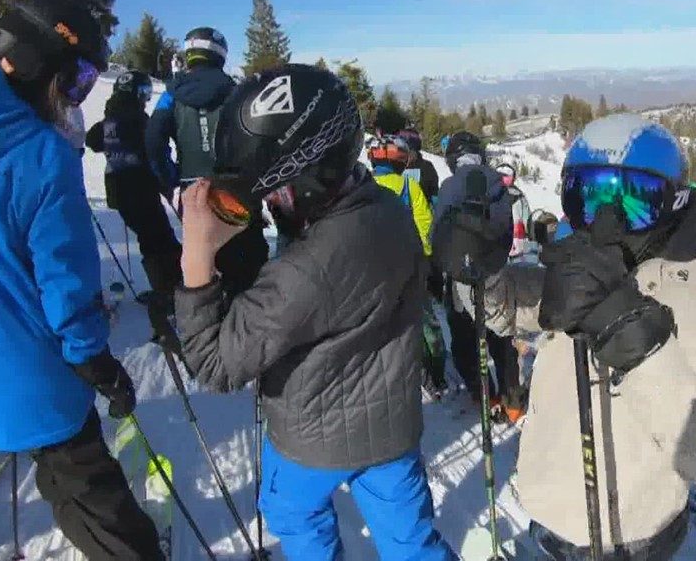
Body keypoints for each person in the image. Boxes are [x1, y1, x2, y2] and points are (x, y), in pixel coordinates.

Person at [172, 64, 456, 561]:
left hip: (311, 442)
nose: (266, 205)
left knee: (293, 516)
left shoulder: (302, 274)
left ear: (303, 182)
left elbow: (215, 365)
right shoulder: (388, 209)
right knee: (412, 542)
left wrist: (196, 258)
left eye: (271, 193)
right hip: (391, 430)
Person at [433, 114, 696, 558]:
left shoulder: (684, 297)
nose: (607, 222)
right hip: (554, 512)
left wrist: (626, 325)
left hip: (622, 537)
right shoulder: (587, 263)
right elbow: (508, 310)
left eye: (639, 201)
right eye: (588, 198)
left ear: (673, 205)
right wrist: (475, 269)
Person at [0, 0, 162, 559]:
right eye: (78, 77)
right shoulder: (39, 153)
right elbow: (64, 282)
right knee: (89, 492)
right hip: (25, 374)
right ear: (37, 61)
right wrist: (96, 361)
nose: (75, 95)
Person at [145, 26, 268, 306]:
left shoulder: (171, 95)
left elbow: (153, 140)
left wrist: (170, 180)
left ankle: (208, 329)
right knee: (247, 264)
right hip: (235, 188)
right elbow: (259, 138)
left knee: (202, 262)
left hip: (193, 192)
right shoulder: (237, 92)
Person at [439, 131, 526, 422]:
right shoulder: (496, 182)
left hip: (460, 278)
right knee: (502, 335)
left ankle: (486, 395)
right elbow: (505, 231)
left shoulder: (449, 186)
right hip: (494, 274)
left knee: (465, 340)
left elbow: (436, 234)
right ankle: (513, 401)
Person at [85, 70, 183, 317]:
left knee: (148, 238)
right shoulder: (139, 121)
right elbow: (154, 152)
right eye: (145, 94)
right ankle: (172, 292)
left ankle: (165, 289)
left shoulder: (109, 122)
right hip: (141, 188)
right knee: (162, 239)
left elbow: (92, 140)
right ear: (138, 94)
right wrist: (168, 181)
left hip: (119, 192)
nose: (146, 99)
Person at [367, 134, 447, 399]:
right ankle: (434, 375)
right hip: (408, 267)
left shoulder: (361, 187)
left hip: (371, 271)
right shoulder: (408, 187)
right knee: (426, 325)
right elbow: (426, 227)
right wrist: (426, 260)